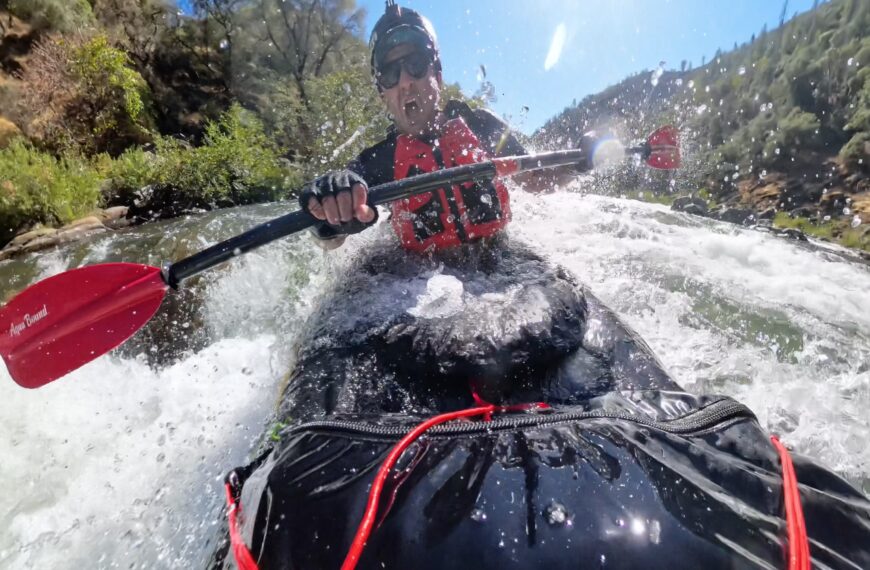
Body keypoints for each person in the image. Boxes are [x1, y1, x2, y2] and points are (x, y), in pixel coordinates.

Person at [299, 0, 586, 253]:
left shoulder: (482, 126)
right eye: (390, 73)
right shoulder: (378, 161)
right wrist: (328, 212)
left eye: (416, 64)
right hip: (420, 283)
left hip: (499, 258)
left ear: (438, 73)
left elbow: (538, 181)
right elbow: (329, 242)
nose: (406, 81)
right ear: (382, 94)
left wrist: (581, 162)